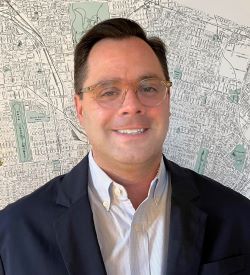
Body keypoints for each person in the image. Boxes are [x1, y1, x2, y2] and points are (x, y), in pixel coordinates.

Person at [0, 18, 250, 275]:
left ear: (168, 100)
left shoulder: (240, 219)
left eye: (149, 87)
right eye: (108, 91)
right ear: (80, 108)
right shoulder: (12, 234)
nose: (131, 105)